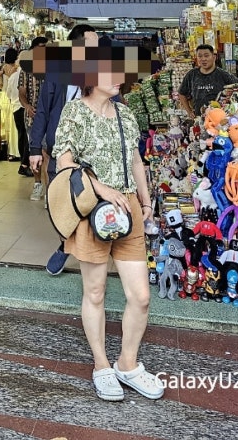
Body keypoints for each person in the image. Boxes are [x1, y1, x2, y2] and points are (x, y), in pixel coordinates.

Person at [54, 59, 163, 402]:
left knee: (141, 296)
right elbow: (64, 162)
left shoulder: (125, 115)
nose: (119, 78)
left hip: (128, 209)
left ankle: (127, 364)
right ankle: (101, 364)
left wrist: (146, 202)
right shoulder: (75, 112)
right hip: (94, 210)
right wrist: (101, 188)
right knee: (95, 291)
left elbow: (136, 161)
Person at [29, 24, 99, 275]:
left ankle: (77, 248)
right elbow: (42, 111)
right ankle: (66, 244)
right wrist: (35, 147)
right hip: (59, 149)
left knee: (90, 199)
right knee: (61, 203)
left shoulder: (101, 75)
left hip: (91, 151)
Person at [18, 36, 49, 199]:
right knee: (35, 151)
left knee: (47, 153)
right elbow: (22, 92)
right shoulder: (26, 69)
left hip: (50, 118)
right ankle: (38, 184)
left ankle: (49, 189)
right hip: (33, 118)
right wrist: (27, 106)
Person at [177, 44, 238, 118]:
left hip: (219, 119)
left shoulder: (223, 74)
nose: (203, 59)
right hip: (199, 119)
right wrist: (189, 111)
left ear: (214, 57)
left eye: (206, 56)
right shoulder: (192, 74)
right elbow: (181, 93)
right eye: (200, 56)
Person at [0, 47, 28, 171]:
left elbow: (9, 93)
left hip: (15, 106)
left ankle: (21, 159)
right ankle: (25, 162)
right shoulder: (29, 75)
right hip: (26, 108)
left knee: (19, 134)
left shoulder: (12, 75)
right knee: (26, 136)